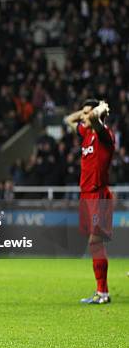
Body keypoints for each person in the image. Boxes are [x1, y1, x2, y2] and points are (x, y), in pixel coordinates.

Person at [64, 99, 115, 304]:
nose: (83, 117)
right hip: (86, 195)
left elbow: (94, 118)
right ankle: (101, 291)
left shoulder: (104, 136)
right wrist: (85, 112)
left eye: (87, 113)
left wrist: (101, 108)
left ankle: (103, 293)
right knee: (95, 244)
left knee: (96, 241)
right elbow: (68, 119)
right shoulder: (86, 134)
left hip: (98, 194)